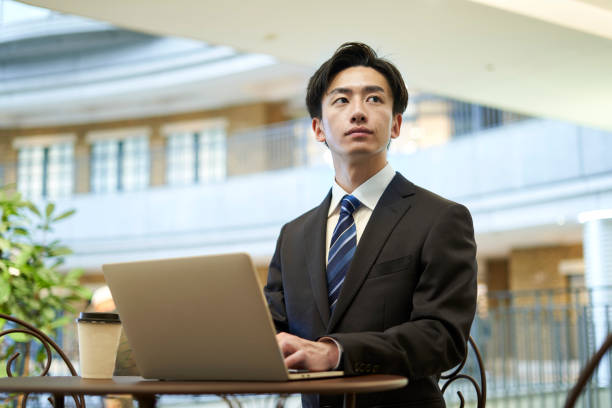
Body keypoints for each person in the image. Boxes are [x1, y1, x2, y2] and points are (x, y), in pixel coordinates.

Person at [264, 42, 477, 407]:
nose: (359, 112)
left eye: (374, 99)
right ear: (318, 128)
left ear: (395, 125)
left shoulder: (441, 219)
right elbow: (272, 329)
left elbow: (442, 337)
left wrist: (335, 353)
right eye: (342, 100)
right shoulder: (293, 235)